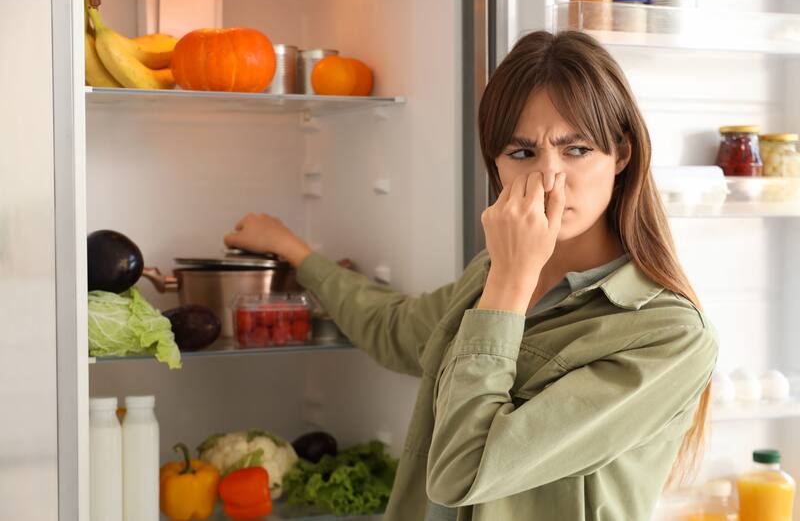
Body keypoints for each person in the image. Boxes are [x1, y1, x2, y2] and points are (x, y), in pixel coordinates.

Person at [224, 30, 718, 521]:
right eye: (522, 153)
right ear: (496, 167)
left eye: (578, 149)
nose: (549, 179)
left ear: (623, 154)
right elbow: (396, 330)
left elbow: (463, 471)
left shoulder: (668, 335)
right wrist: (294, 250)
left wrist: (511, 280)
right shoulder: (492, 271)